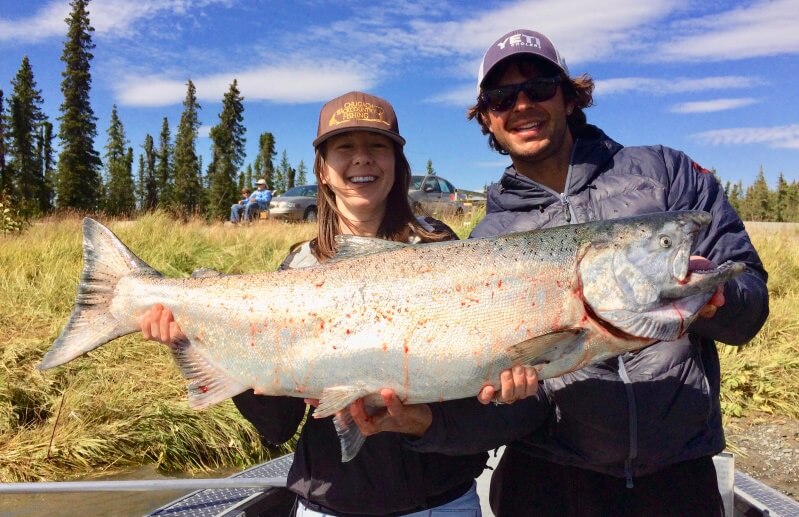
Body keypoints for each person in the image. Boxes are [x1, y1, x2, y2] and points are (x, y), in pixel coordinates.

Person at [351, 29, 769, 516]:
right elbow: (501, 409)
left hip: (679, 477)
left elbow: (750, 306)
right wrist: (456, 414)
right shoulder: (488, 240)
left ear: (569, 96)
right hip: (545, 484)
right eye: (503, 97)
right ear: (487, 117)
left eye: (539, 86)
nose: (522, 104)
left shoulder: (667, 176)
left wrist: (714, 302)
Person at [140, 91, 495, 516]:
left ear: (398, 166)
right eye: (344, 148)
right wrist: (196, 343)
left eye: (377, 147)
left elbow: (473, 389)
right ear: (322, 171)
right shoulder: (298, 269)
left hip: (440, 502)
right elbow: (277, 425)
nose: (361, 159)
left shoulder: (443, 252)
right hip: (328, 501)